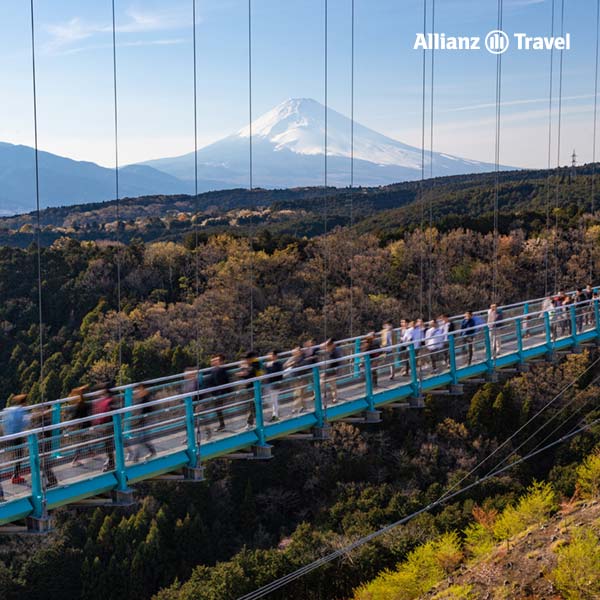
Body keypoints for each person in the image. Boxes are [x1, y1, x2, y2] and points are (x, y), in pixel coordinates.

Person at [2, 394, 29, 484]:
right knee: (19, 456)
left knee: (15, 455)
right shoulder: (21, 411)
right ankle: (15, 476)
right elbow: (25, 423)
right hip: (17, 436)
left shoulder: (9, 410)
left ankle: (14, 474)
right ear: (24, 402)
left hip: (8, 436)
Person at [92, 383, 116, 472]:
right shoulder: (107, 399)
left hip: (108, 426)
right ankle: (111, 462)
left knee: (108, 445)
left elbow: (110, 412)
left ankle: (111, 464)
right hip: (107, 426)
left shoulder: (109, 400)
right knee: (108, 446)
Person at [130, 384, 157, 462]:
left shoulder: (147, 397)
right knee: (140, 439)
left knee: (142, 438)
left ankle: (137, 456)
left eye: (139, 389)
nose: (137, 392)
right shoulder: (138, 398)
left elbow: (151, 409)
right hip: (140, 421)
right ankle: (138, 456)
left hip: (147, 420)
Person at [205, 355, 229, 432]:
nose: (214, 362)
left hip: (219, 393)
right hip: (215, 393)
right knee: (217, 409)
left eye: (216, 360)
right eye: (213, 361)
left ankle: (221, 425)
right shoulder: (214, 370)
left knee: (218, 409)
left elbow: (223, 381)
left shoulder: (221, 370)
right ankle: (221, 425)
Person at [69, 385, 91, 467]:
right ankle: (75, 460)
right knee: (82, 442)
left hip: (81, 426)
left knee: (83, 442)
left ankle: (91, 453)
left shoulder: (78, 405)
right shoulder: (84, 404)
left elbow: (74, 416)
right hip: (85, 425)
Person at [238, 351, 260, 429]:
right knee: (252, 406)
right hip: (250, 388)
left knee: (252, 406)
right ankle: (254, 421)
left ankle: (250, 423)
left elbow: (250, 374)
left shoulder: (255, 364)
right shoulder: (250, 365)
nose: (245, 360)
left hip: (254, 388)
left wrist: (244, 372)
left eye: (247, 359)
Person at [284, 347, 308, 413]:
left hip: (302, 378)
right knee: (296, 393)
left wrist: (294, 364)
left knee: (301, 393)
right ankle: (302, 407)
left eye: (296, 351)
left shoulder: (303, 358)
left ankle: (297, 407)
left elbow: (303, 366)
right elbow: (285, 365)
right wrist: (290, 364)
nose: (294, 353)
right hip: (294, 378)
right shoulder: (292, 358)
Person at [264, 350, 283, 421]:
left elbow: (277, 374)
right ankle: (275, 414)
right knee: (272, 400)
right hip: (269, 384)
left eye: (271, 355)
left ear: (275, 356)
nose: (270, 356)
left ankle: (275, 415)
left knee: (274, 400)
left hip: (275, 384)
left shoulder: (278, 364)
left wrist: (269, 367)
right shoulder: (267, 364)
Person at [322, 338, 342, 405]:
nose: (327, 346)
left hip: (332, 371)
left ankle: (334, 398)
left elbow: (335, 362)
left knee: (333, 385)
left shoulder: (335, 351)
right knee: (322, 384)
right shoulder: (329, 350)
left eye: (328, 345)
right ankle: (330, 397)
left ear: (332, 345)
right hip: (327, 370)